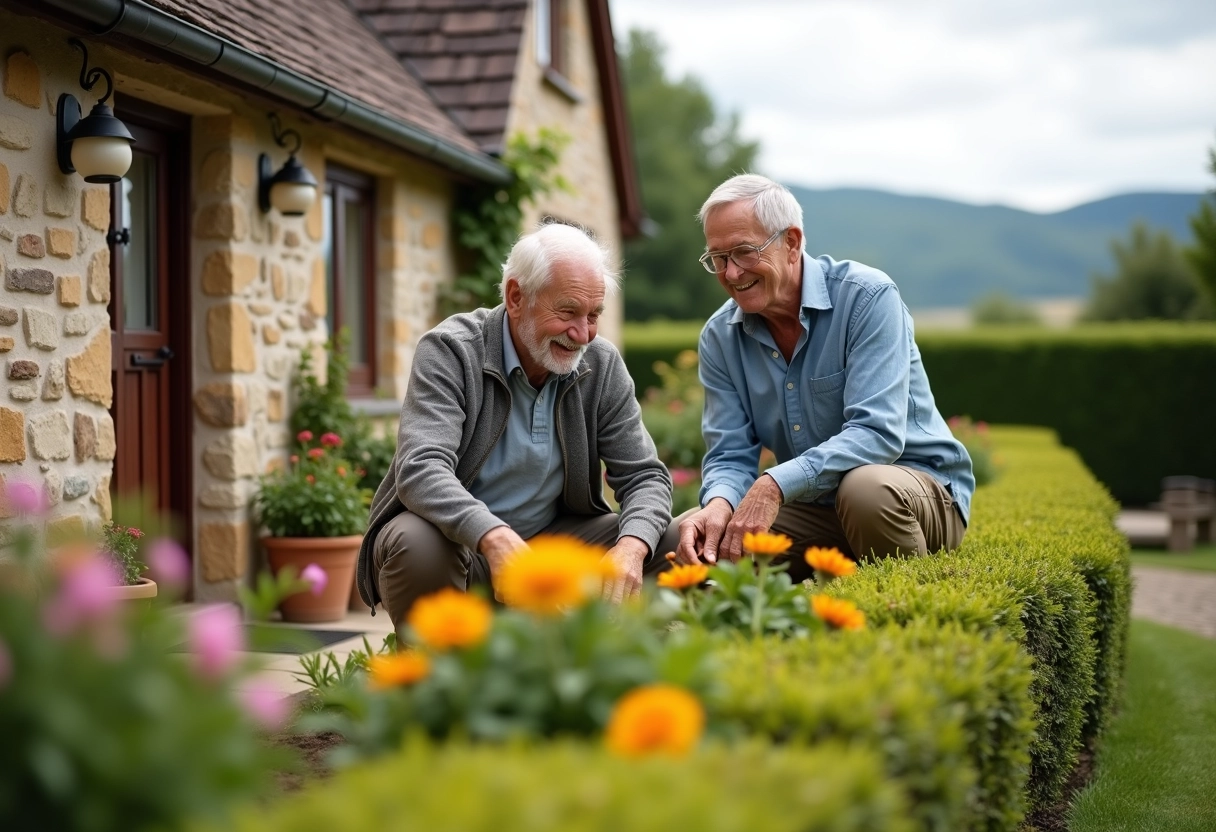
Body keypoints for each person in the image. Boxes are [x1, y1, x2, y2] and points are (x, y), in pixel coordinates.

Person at [357, 223, 678, 627]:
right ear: (515, 297)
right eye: (567, 312)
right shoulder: (451, 350)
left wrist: (631, 547)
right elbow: (421, 468)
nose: (582, 334)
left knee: (670, 542)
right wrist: (492, 535)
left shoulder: (602, 363)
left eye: (593, 315)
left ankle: (612, 670)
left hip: (553, 546)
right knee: (415, 543)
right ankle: (438, 681)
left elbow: (645, 476)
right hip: (464, 548)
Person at [675, 174, 974, 576]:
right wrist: (718, 505)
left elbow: (877, 433)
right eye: (718, 258)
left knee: (865, 491)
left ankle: (907, 621)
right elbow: (729, 453)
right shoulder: (720, 335)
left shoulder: (868, 297)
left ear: (792, 243)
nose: (730, 274)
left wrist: (774, 484)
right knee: (684, 540)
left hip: (913, 496)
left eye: (744, 252)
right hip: (814, 508)